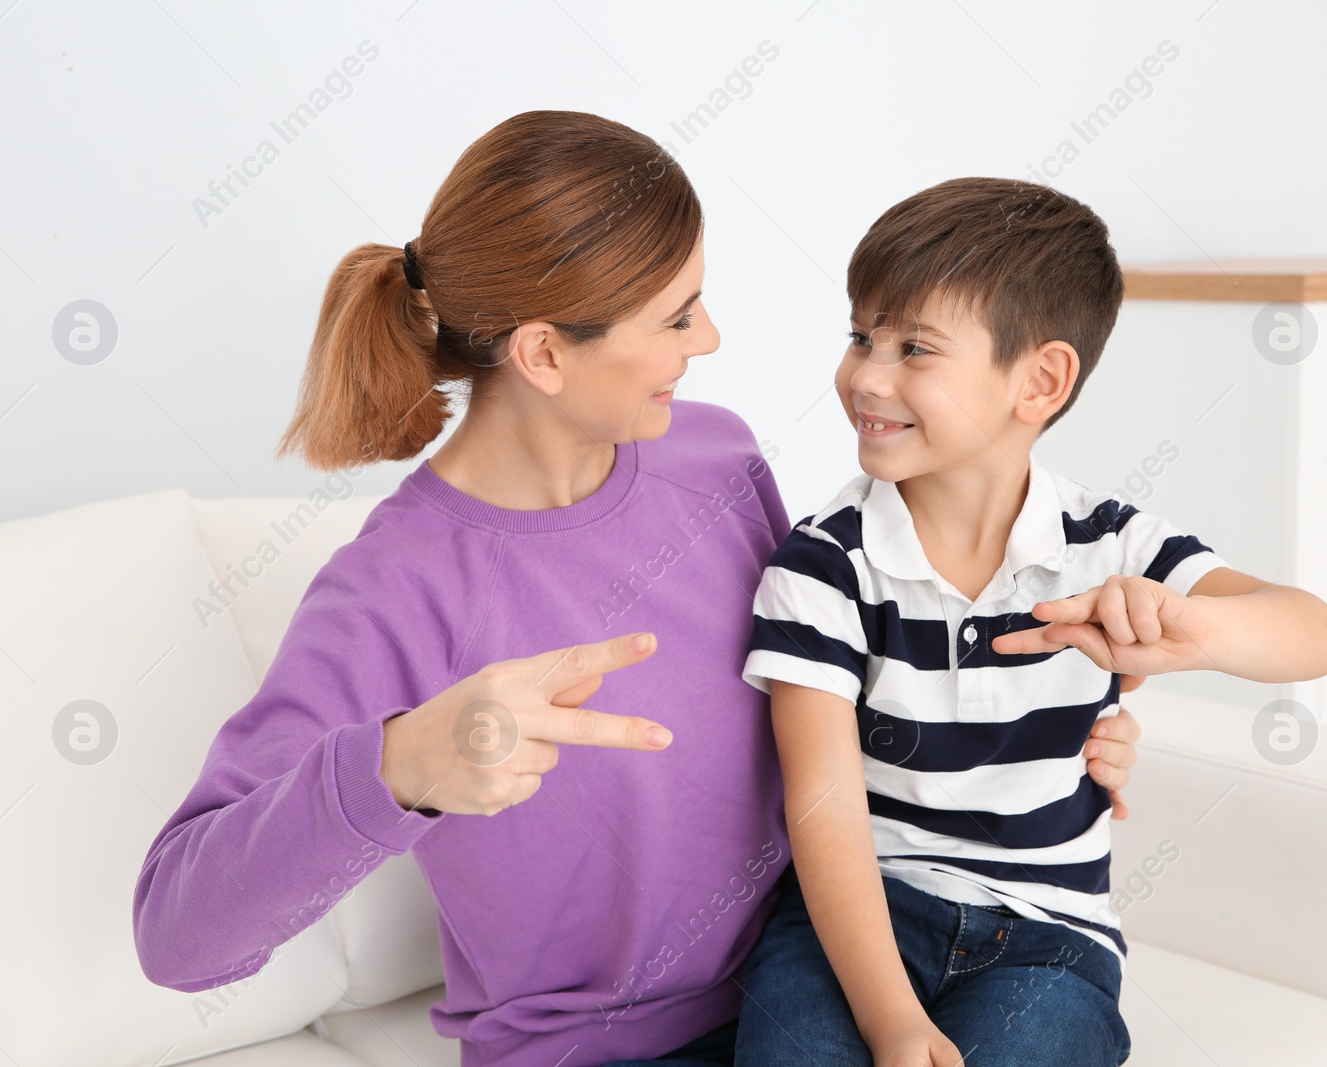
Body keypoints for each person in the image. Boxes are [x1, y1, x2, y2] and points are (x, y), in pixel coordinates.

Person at [131, 112, 1147, 1067]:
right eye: (674, 317)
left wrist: (1046, 719)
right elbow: (178, 937)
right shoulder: (392, 587)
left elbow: (835, 674)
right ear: (541, 353)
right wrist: (397, 766)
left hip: (807, 983)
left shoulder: (715, 458)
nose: (706, 341)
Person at [733, 177, 1327, 1066]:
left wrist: (1190, 630)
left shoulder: (1109, 544)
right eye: (862, 334)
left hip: (1052, 937)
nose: (867, 374)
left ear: (1041, 381)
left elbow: (1311, 632)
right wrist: (893, 1021)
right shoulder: (824, 565)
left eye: (915, 348)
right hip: (860, 922)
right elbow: (823, 810)